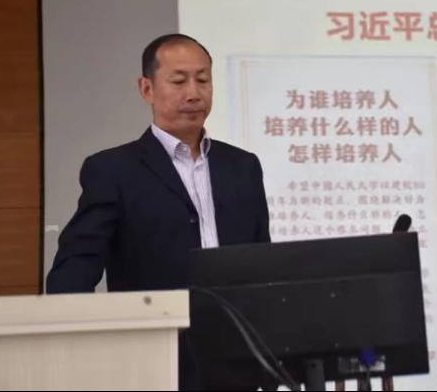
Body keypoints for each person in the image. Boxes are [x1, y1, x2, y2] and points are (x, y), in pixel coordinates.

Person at [46, 33, 271, 390]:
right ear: (146, 89)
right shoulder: (113, 170)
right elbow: (78, 263)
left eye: (203, 80)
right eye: (179, 81)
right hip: (152, 360)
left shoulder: (242, 166)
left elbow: (261, 261)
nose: (194, 93)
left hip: (236, 360)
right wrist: (68, 342)